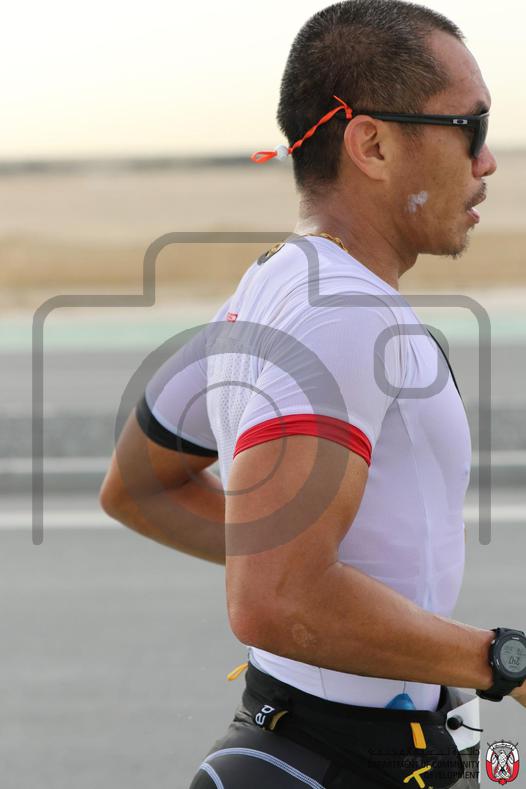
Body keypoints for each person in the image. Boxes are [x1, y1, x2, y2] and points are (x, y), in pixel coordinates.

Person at [100, 1, 526, 787]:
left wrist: (290, 561)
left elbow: (137, 485)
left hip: (303, 737)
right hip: (345, 757)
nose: (487, 160)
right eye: (470, 126)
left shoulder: (269, 288)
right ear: (371, 144)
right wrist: (502, 661)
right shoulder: (346, 317)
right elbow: (273, 599)